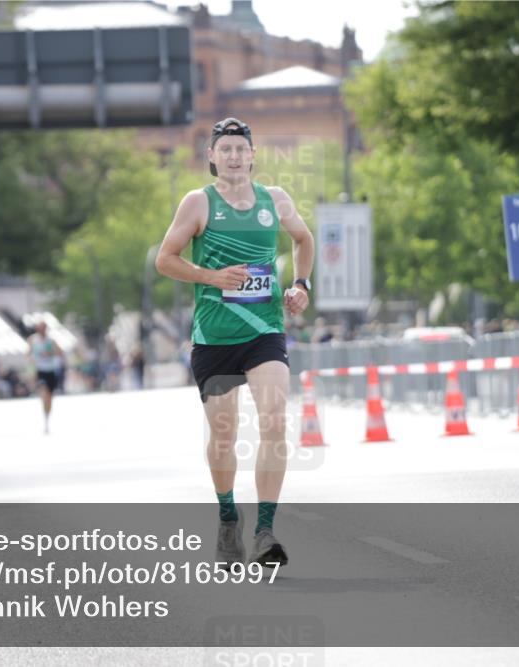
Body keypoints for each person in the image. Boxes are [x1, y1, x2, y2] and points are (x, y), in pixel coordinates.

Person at [155, 118, 314, 568]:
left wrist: (302, 284)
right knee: (223, 435)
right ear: (210, 156)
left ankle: (265, 531)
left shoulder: (275, 200)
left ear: (253, 154)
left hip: (265, 330)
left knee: (274, 420)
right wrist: (210, 277)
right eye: (224, 149)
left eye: (240, 149)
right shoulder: (197, 203)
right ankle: (228, 518)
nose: (233, 156)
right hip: (215, 336)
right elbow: (165, 260)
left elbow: (304, 238)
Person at [28, 320, 66, 434]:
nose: (41, 330)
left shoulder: (51, 341)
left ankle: (47, 418)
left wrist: (50, 353)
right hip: (40, 371)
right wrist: (31, 366)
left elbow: (60, 353)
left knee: (49, 398)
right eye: (40, 328)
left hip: (51, 370)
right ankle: (45, 418)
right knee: (44, 394)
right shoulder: (33, 340)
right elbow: (28, 354)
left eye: (43, 328)